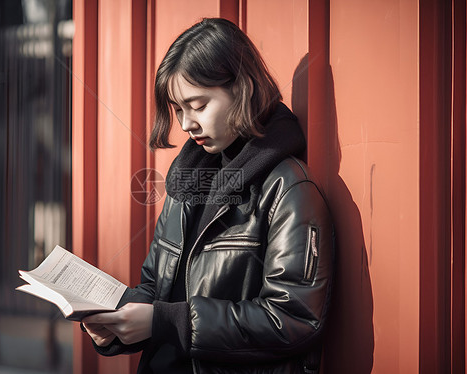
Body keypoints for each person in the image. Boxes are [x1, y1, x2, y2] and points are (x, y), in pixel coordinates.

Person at [81, 17, 334, 374]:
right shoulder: (187, 180)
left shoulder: (288, 189)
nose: (186, 124)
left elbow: (293, 318)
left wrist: (165, 323)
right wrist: (116, 326)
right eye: (179, 109)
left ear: (242, 88)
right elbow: (156, 285)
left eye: (198, 106)